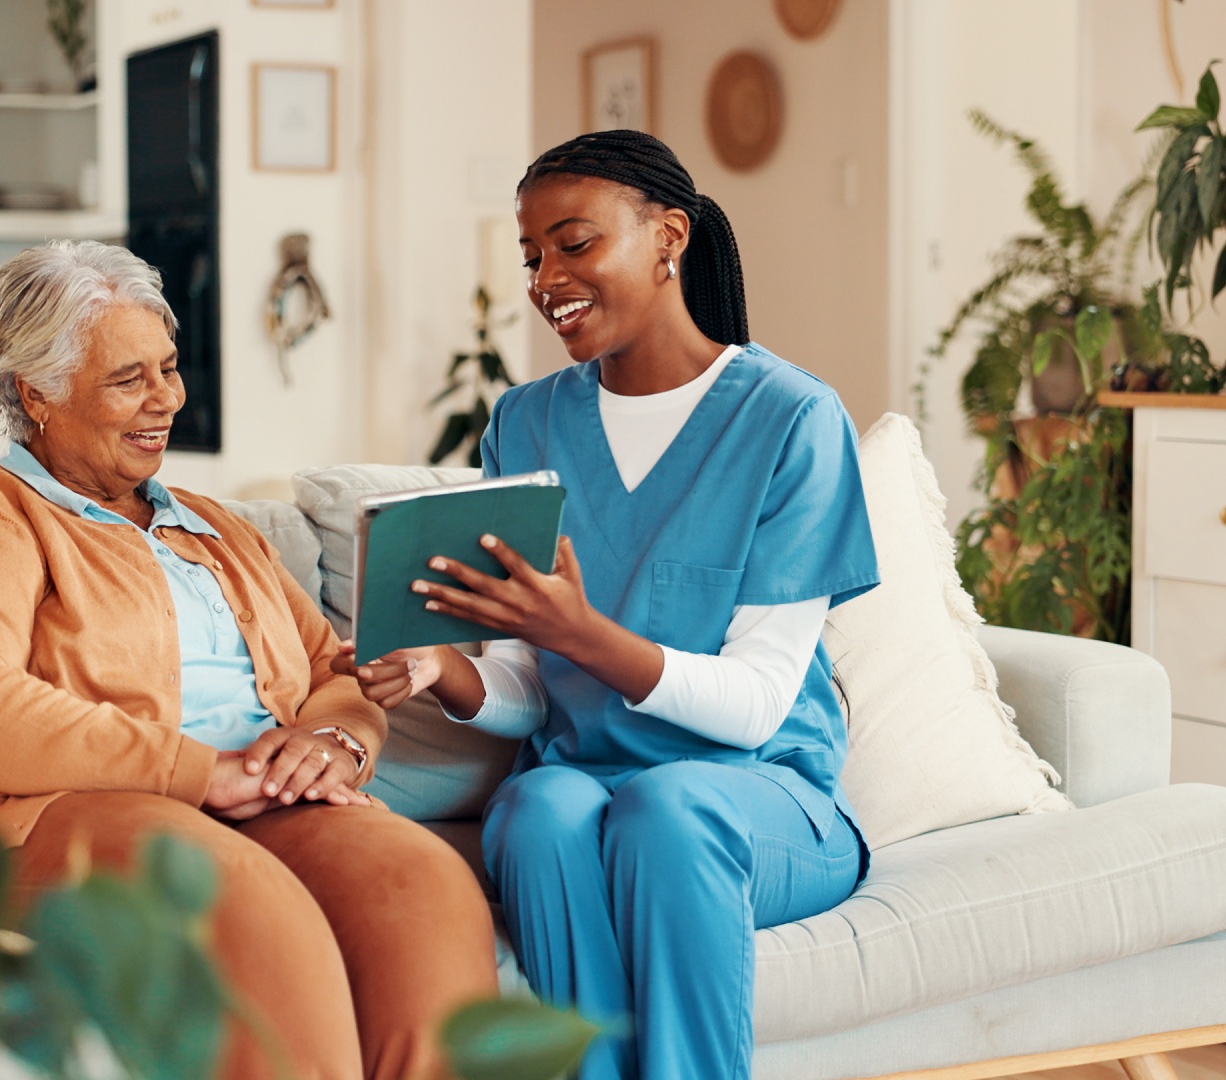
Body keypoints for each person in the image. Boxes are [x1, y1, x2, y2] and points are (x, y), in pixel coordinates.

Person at [0, 240, 497, 1080]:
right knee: (242, 902)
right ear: (37, 395)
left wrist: (336, 746)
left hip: (264, 796)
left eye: (168, 369)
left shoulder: (215, 528)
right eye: (128, 380)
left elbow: (329, 674)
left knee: (420, 884)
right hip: (75, 810)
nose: (166, 398)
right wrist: (197, 772)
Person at [336, 131, 879, 1080]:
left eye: (574, 243)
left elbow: (756, 705)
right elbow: (533, 687)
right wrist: (445, 670)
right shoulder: (526, 421)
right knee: (537, 807)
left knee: (666, 812)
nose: (546, 278)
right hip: (586, 785)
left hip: (759, 799)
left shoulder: (793, 419)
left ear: (668, 237)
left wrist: (582, 633)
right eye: (532, 255)